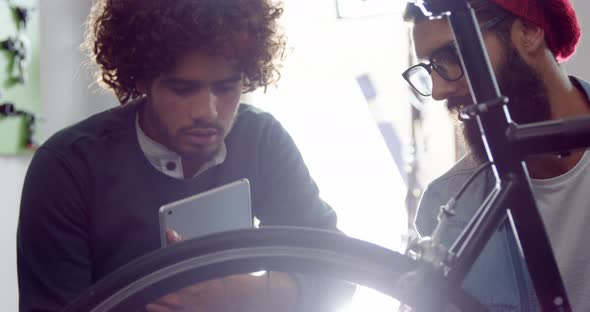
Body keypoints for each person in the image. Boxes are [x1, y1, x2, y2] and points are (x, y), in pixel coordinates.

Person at [17, 0, 349, 311]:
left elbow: (341, 274)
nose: (207, 112)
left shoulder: (261, 141)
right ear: (143, 79)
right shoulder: (68, 167)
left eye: (226, 87)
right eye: (183, 89)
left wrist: (238, 295)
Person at [403, 0, 590, 310]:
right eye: (430, 68)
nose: (437, 91)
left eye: (451, 55)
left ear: (529, 30)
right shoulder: (446, 204)